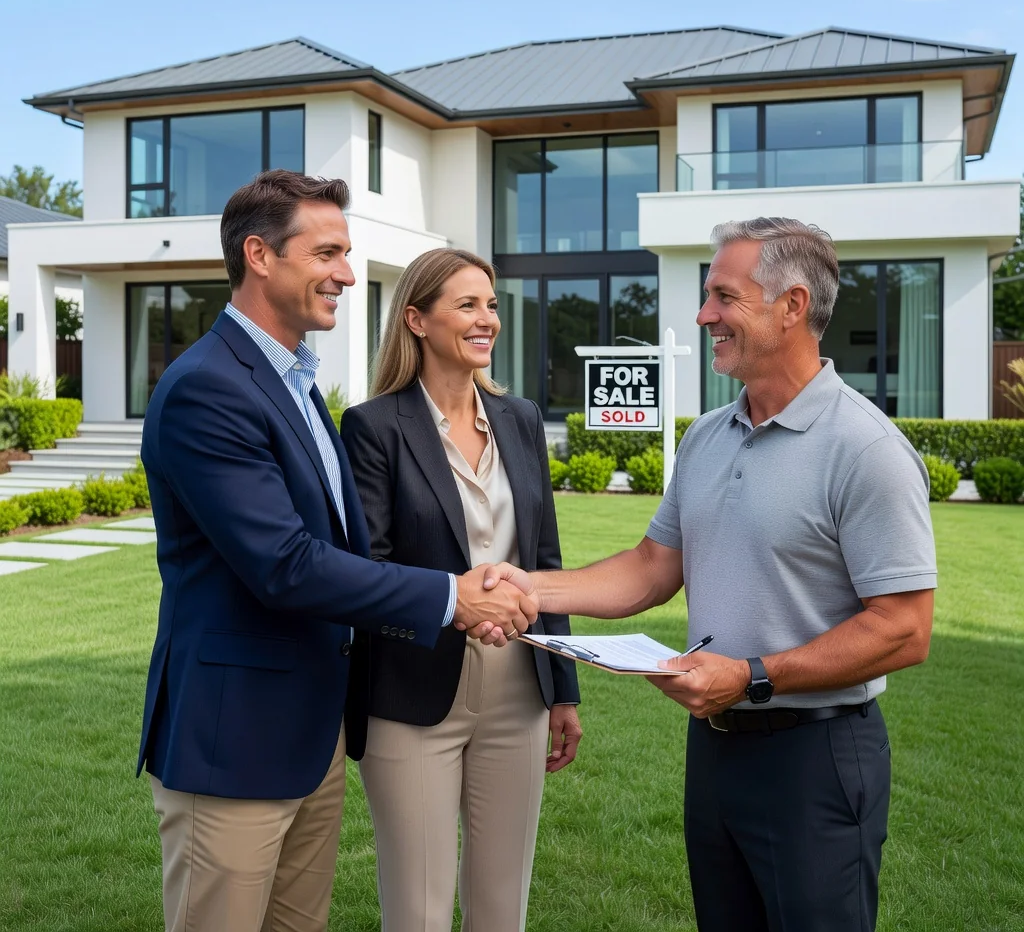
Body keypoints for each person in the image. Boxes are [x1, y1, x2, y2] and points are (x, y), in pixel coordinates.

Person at [485, 217, 937, 932]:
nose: (704, 316)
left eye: (724, 297)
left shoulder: (865, 449)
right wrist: (527, 587)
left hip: (815, 756)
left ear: (792, 306)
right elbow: (650, 569)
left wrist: (752, 676)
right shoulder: (707, 436)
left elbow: (905, 631)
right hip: (717, 752)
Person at [138, 171, 536, 932]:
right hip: (235, 742)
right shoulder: (208, 388)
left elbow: (342, 548)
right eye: (327, 253)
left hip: (311, 732)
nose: (347, 274)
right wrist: (452, 597)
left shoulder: (295, 383)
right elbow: (284, 564)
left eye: (347, 254)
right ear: (259, 254)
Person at [340, 248, 583, 932]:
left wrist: (562, 691)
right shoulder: (374, 427)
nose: (488, 320)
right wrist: (458, 605)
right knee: (418, 909)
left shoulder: (522, 419)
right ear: (416, 319)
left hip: (520, 689)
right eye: (468, 305)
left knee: (503, 906)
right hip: (412, 691)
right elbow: (369, 566)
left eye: (493, 305)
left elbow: (545, 560)